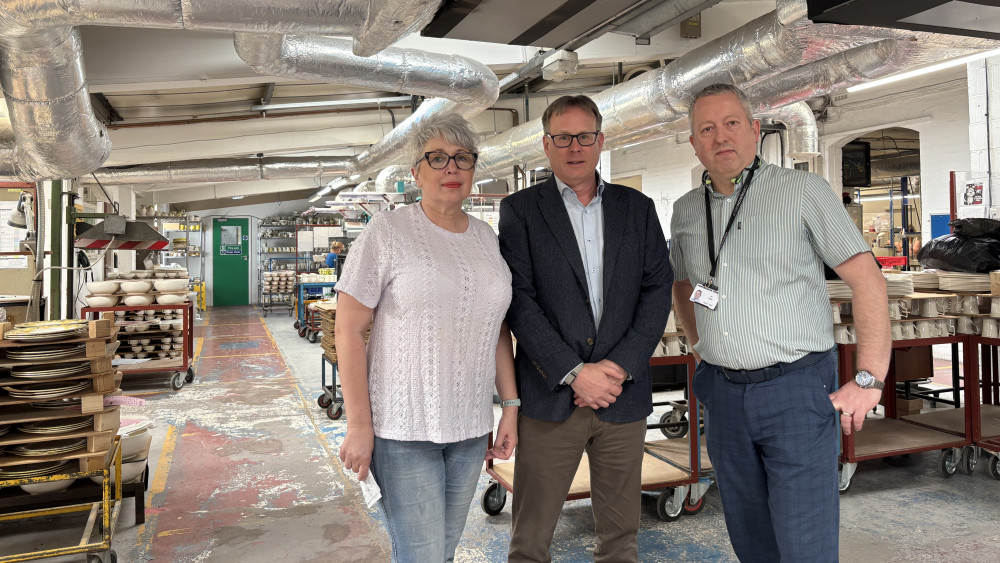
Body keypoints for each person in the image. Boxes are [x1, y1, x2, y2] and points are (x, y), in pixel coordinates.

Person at [670, 83, 890, 562]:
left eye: (731, 123)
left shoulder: (802, 192)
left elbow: (868, 280)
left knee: (804, 541)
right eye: (706, 129)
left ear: (754, 130)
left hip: (795, 391)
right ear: (693, 142)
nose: (720, 137)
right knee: (750, 536)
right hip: (723, 395)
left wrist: (869, 378)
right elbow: (683, 285)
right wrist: (699, 346)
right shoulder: (686, 210)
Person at [335, 113, 518, 563]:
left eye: (462, 158)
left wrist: (510, 406)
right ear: (416, 172)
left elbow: (496, 327)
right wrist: (359, 425)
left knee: (445, 552)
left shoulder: (486, 238)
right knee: (423, 556)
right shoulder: (387, 232)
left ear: (473, 169)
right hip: (402, 430)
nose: (451, 168)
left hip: (470, 428)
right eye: (437, 158)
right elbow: (348, 329)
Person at [499, 95, 673, 563]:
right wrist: (575, 373)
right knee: (530, 540)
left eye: (584, 136)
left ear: (600, 141)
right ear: (546, 145)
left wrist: (618, 367)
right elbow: (519, 301)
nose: (574, 147)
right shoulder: (520, 211)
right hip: (551, 397)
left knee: (621, 538)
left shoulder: (637, 208)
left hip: (622, 395)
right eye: (562, 137)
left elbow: (657, 289)